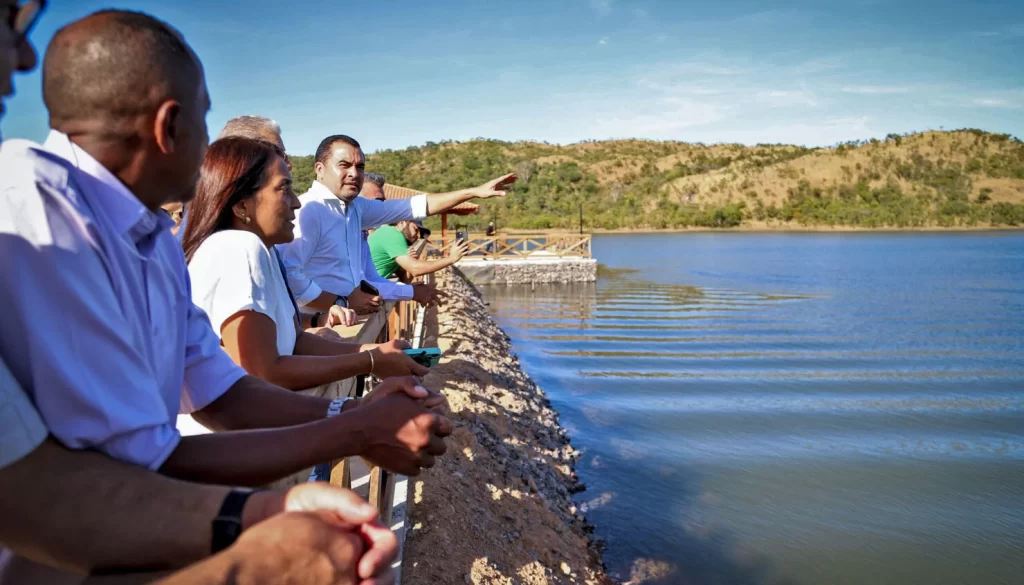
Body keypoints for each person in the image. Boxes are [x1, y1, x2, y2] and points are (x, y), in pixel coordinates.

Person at [0, 6, 393, 583]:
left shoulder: (153, 238)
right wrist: (259, 535)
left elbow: (220, 392)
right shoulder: (35, 216)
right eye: (206, 125)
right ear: (170, 126)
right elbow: (121, 468)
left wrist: (352, 418)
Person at [180, 137, 430, 391]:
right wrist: (369, 364)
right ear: (243, 206)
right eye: (283, 189)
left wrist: (374, 352)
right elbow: (264, 374)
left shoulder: (266, 254)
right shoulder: (241, 249)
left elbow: (296, 339)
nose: (297, 202)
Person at [278, 133, 516, 314]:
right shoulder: (309, 210)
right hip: (313, 329)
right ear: (319, 169)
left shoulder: (355, 209)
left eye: (360, 167)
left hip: (343, 327)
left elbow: (414, 206)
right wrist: (341, 302)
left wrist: (473, 191)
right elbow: (288, 275)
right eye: (344, 165)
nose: (354, 173)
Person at [368, 218, 468, 281]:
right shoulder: (393, 234)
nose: (418, 235)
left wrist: (412, 260)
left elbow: (405, 279)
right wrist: (451, 259)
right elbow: (416, 269)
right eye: (415, 229)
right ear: (402, 222)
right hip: (365, 291)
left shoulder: (391, 237)